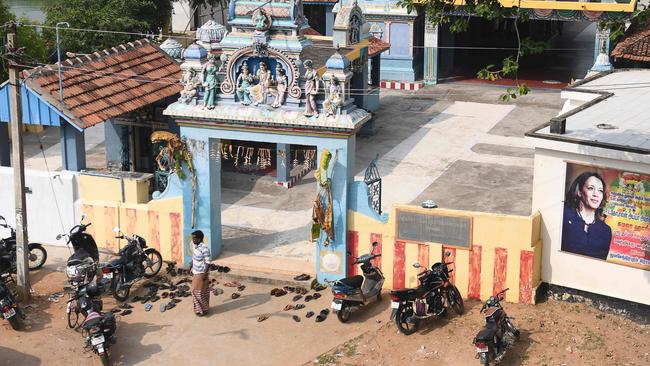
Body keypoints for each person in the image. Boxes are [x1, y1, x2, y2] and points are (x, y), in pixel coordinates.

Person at [561, 171, 612, 260]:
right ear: (579, 192)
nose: (596, 194)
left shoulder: (606, 231)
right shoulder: (564, 214)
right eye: (590, 188)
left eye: (600, 191)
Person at [188, 230, 211, 316]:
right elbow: (194, 258)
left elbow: (208, 262)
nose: (193, 240)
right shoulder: (195, 247)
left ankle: (202, 310)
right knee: (202, 292)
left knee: (196, 292)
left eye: (194, 238)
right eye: (192, 238)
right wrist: (189, 267)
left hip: (201, 273)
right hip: (196, 272)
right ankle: (203, 309)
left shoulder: (204, 248)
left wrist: (205, 274)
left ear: (199, 239)